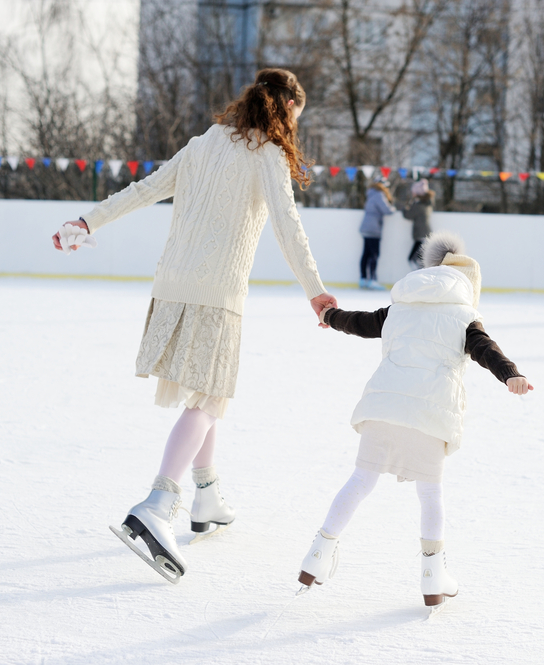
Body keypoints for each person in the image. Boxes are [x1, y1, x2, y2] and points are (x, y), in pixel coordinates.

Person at [50, 68, 337, 583]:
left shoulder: (203, 144)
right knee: (209, 396)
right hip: (217, 292)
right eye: (296, 116)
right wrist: (315, 291)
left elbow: (144, 190)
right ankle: (159, 504)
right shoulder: (267, 154)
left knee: (204, 393)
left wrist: (86, 221)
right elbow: (288, 226)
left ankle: (207, 497)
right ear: (285, 110)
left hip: (172, 283)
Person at [297, 231, 533, 608]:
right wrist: (511, 375)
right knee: (430, 493)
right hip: (428, 414)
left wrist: (328, 314)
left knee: (360, 480)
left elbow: (358, 322)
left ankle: (317, 554)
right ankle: (432, 576)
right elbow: (485, 350)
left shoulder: (400, 307)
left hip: (383, 408)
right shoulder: (465, 315)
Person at [358, 180, 396, 290]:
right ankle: (372, 280)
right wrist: (393, 208)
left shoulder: (371, 193)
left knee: (366, 254)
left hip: (366, 227)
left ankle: (363, 279)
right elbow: (387, 210)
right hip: (373, 228)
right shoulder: (379, 194)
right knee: (374, 254)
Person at [402, 179, 434, 270]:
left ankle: (418, 278)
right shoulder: (427, 203)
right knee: (420, 261)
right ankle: (420, 278)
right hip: (425, 235)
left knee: (413, 260)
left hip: (421, 236)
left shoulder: (419, 205)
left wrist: (406, 206)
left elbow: (407, 215)